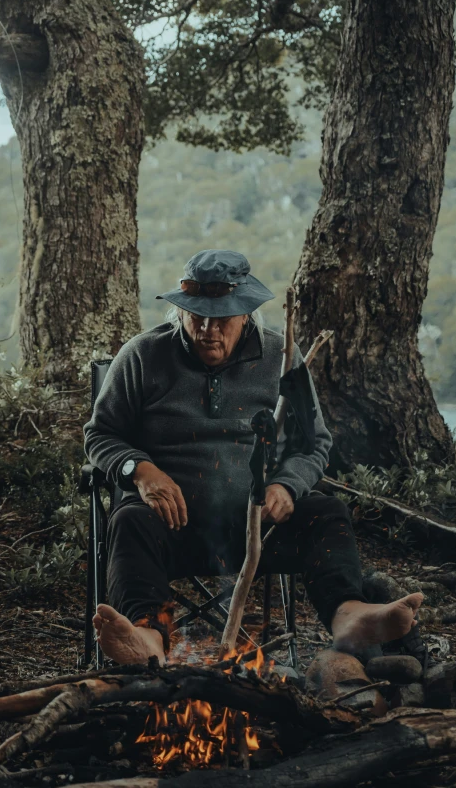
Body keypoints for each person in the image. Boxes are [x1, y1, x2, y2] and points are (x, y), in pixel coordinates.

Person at [83, 249, 422, 666]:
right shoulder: (142, 355)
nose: (207, 329)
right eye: (196, 316)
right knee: (128, 521)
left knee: (327, 511)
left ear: (246, 313)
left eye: (221, 318)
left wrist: (287, 484)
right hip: (171, 529)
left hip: (259, 532)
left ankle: (349, 615)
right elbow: (100, 434)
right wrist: (139, 470)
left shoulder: (282, 358)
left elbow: (314, 443)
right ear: (181, 311)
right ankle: (147, 638)